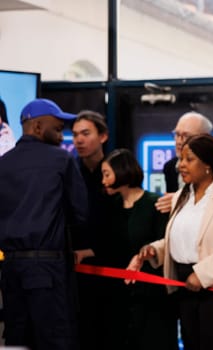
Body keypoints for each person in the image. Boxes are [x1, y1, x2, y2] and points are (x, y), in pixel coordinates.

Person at [127, 133, 213, 350]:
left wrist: (203, 274)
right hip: (185, 284)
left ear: (208, 164)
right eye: (180, 159)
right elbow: (180, 238)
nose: (180, 165)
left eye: (188, 159)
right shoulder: (181, 196)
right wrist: (154, 250)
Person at [0, 98, 88, 350]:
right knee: (56, 340)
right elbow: (80, 214)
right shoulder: (61, 160)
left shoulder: (3, 164)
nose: (62, 136)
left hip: (10, 270)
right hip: (49, 267)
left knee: (17, 340)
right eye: (58, 129)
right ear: (37, 127)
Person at [99, 148, 175, 350]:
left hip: (151, 296)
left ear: (122, 171)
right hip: (118, 297)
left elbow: (164, 245)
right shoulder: (110, 206)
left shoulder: (155, 204)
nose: (103, 181)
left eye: (107, 174)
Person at [71, 110, 110, 350]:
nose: (78, 140)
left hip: (110, 269)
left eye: (86, 133)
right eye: (75, 135)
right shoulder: (69, 170)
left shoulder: (117, 169)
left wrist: (95, 249)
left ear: (103, 136)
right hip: (74, 270)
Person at [155, 111, 213, 214]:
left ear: (204, 138)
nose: (179, 141)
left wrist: (181, 200)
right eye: (177, 134)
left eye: (186, 136)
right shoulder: (170, 167)